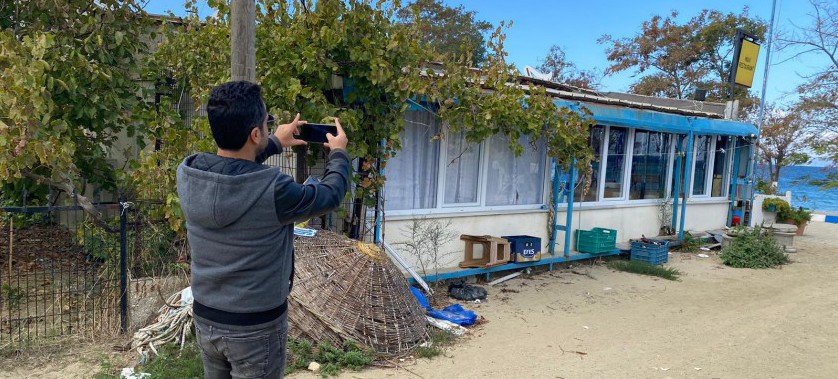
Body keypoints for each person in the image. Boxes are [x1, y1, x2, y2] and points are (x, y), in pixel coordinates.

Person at [176, 81, 350, 379]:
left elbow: (233, 169)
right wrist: (339, 154)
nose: (271, 127)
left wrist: (275, 142)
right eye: (267, 123)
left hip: (207, 317)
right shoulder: (274, 189)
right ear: (255, 134)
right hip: (255, 328)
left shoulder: (189, 173)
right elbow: (330, 195)